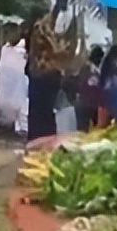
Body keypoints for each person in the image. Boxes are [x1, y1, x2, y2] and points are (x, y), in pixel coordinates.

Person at [24, 12, 76, 141]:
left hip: (41, 77)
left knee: (40, 114)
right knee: (43, 116)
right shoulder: (43, 31)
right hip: (45, 76)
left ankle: (38, 143)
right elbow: (59, 53)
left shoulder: (41, 31)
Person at [75, 46, 104, 131]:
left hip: (89, 104)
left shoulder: (95, 70)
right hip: (86, 104)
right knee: (84, 131)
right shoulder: (88, 68)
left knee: (84, 131)